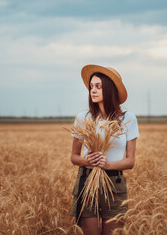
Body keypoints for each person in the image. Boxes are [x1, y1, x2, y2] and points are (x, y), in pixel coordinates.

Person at [70, 64, 139, 235]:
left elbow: (130, 161)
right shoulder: (83, 118)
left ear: (109, 90)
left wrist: (107, 165)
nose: (92, 91)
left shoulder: (128, 119)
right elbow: (74, 156)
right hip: (86, 181)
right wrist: (87, 161)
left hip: (114, 183)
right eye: (91, 87)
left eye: (98, 86)